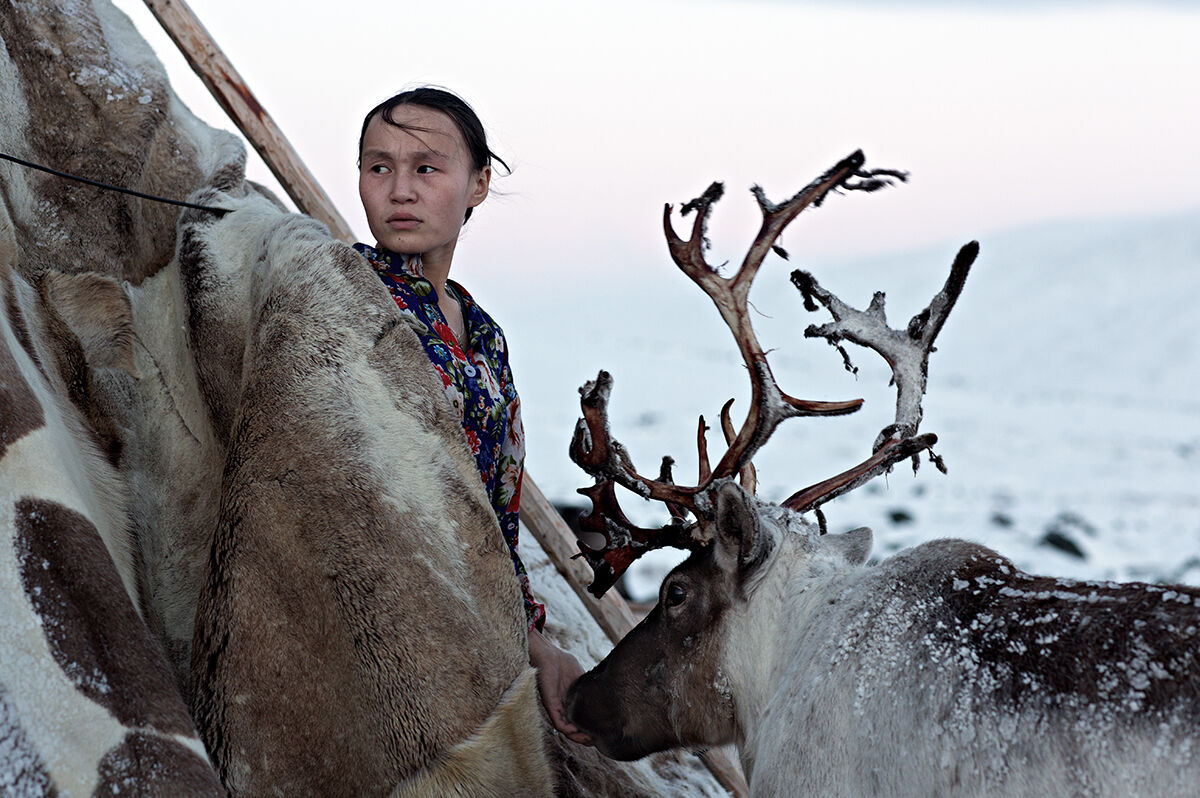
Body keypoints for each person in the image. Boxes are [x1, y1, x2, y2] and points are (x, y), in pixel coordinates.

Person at [353, 87, 591, 746]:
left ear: (478, 184)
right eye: (378, 167)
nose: (399, 189)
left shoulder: (484, 338)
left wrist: (536, 644)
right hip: (364, 630)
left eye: (426, 168)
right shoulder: (338, 296)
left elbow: (497, 516)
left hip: (472, 628)